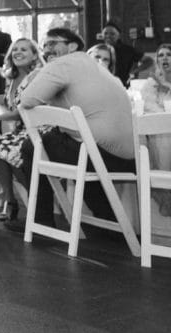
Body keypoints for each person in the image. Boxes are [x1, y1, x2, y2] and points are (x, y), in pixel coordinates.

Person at [16, 27, 135, 230]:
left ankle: (41, 222)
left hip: (98, 154)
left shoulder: (63, 64)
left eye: (53, 43)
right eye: (45, 45)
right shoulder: (95, 66)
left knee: (31, 146)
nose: (47, 50)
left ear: (72, 46)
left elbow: (25, 100)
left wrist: (39, 75)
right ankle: (108, 221)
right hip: (129, 159)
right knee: (76, 147)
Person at [0, 39, 45, 223]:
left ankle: (38, 201)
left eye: (24, 49)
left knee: (9, 150)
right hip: (21, 131)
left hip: (39, 130)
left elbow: (27, 108)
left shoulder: (38, 75)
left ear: (35, 55)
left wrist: (3, 116)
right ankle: (11, 200)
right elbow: (6, 99)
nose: (18, 52)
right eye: (15, 50)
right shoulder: (10, 78)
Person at [140, 44, 171, 218]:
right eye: (161, 55)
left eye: (169, 54)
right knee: (162, 139)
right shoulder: (151, 82)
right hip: (160, 131)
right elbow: (149, 108)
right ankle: (165, 196)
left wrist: (166, 84)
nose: (165, 58)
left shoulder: (163, 82)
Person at [102, 21, 144, 87]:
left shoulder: (128, 50)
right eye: (105, 33)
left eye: (112, 34)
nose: (108, 36)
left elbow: (149, 61)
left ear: (119, 36)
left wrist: (134, 71)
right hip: (104, 87)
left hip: (123, 87)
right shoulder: (98, 50)